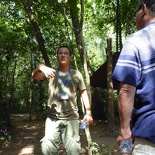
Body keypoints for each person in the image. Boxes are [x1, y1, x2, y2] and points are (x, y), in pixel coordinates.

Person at [32, 45, 93, 155]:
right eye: (60, 53)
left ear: (69, 57)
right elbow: (35, 76)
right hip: (52, 118)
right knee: (48, 150)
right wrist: (40, 67)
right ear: (57, 56)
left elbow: (83, 92)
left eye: (66, 53)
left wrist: (88, 112)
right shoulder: (50, 73)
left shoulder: (76, 74)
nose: (63, 55)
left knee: (74, 150)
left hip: (71, 118)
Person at [112, 0, 155, 154]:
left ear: (144, 9)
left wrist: (125, 134)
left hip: (150, 135)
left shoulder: (136, 40)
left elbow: (126, 89)